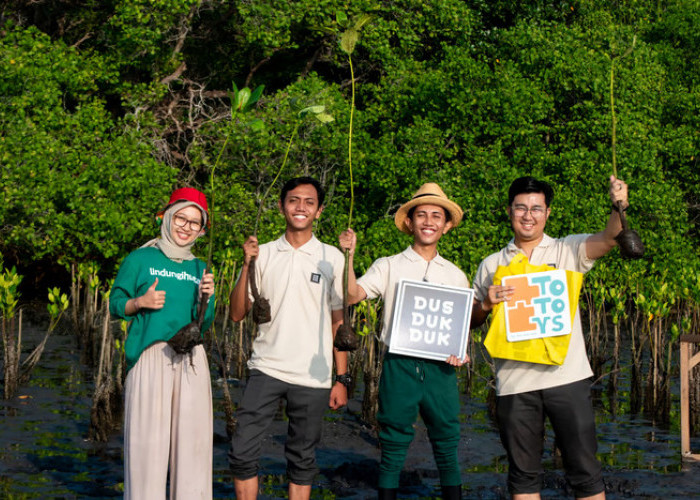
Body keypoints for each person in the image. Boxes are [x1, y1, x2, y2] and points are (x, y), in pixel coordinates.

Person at [471, 175, 630, 500]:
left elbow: (612, 237)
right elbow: (470, 321)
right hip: (515, 384)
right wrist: (487, 304)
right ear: (509, 211)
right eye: (521, 208)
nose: (528, 215)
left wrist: (620, 204)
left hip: (566, 379)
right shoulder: (490, 263)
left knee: (585, 471)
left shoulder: (567, 248)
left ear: (548, 213)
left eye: (536, 208)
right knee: (523, 476)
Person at [339, 183, 468, 500]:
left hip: (441, 372)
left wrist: (461, 355)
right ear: (409, 222)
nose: (428, 221)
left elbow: (460, 334)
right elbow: (352, 294)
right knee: (394, 443)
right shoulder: (388, 265)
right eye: (421, 214)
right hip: (400, 367)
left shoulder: (456, 275)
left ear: (446, 225)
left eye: (436, 216)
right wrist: (348, 256)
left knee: (447, 442)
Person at [228, 176, 349, 500]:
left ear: (319, 211)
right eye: (294, 200)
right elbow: (238, 313)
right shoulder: (263, 253)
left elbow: (339, 322)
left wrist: (342, 378)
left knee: (302, 461)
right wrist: (246, 265)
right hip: (266, 367)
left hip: (313, 377)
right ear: (282, 206)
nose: (301, 207)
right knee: (241, 452)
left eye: (309, 202)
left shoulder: (332, 257)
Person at [109, 187, 216, 500]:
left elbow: (204, 324)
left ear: (202, 229)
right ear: (167, 217)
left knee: (193, 448)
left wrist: (207, 299)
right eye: (180, 218)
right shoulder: (141, 258)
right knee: (148, 448)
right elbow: (116, 303)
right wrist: (140, 301)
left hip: (193, 361)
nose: (185, 227)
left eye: (194, 223)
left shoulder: (202, 268)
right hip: (150, 357)